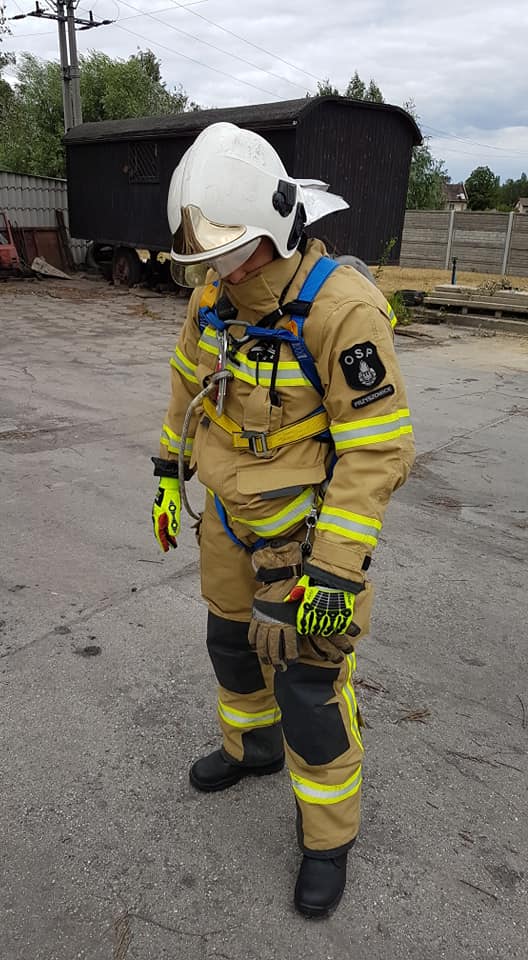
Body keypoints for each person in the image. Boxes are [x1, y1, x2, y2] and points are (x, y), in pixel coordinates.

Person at [151, 122, 415, 918]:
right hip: (226, 524)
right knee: (230, 646)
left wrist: (336, 569)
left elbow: (377, 449)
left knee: (310, 688)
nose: (219, 273)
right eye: (206, 259)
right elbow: (185, 389)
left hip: (302, 545)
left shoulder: (342, 311)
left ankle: (328, 838)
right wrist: (167, 473)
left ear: (275, 229)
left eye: (231, 256)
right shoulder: (213, 301)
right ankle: (252, 747)